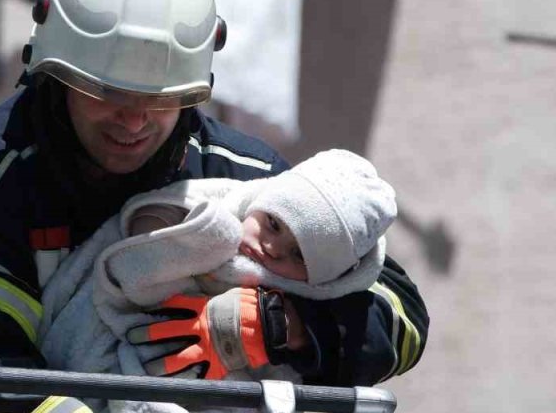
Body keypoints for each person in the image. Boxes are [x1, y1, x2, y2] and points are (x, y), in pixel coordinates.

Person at [0, 0, 427, 412]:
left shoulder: (242, 176)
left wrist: (286, 326)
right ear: (58, 78)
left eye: (162, 99)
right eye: (108, 93)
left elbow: (400, 315)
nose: (134, 121)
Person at [35, 149, 398, 413]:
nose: (270, 248)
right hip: (116, 341)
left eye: (298, 255)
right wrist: (190, 240)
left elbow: (284, 385)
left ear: (324, 279)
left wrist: (286, 326)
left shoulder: (322, 296)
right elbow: (140, 237)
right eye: (273, 223)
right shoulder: (228, 198)